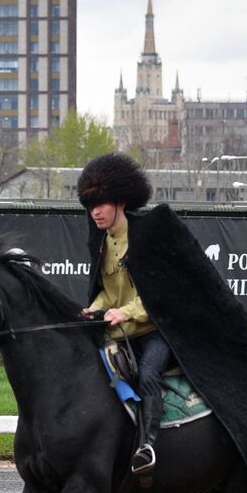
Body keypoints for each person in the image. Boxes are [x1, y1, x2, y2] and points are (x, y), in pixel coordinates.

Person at [77, 154, 173, 475]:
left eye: (101, 204)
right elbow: (106, 290)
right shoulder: (102, 243)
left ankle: (148, 446)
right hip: (121, 334)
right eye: (90, 206)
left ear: (119, 201)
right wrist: (96, 309)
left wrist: (126, 312)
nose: (95, 212)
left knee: (147, 374)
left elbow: (161, 293)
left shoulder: (145, 235)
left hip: (157, 332)